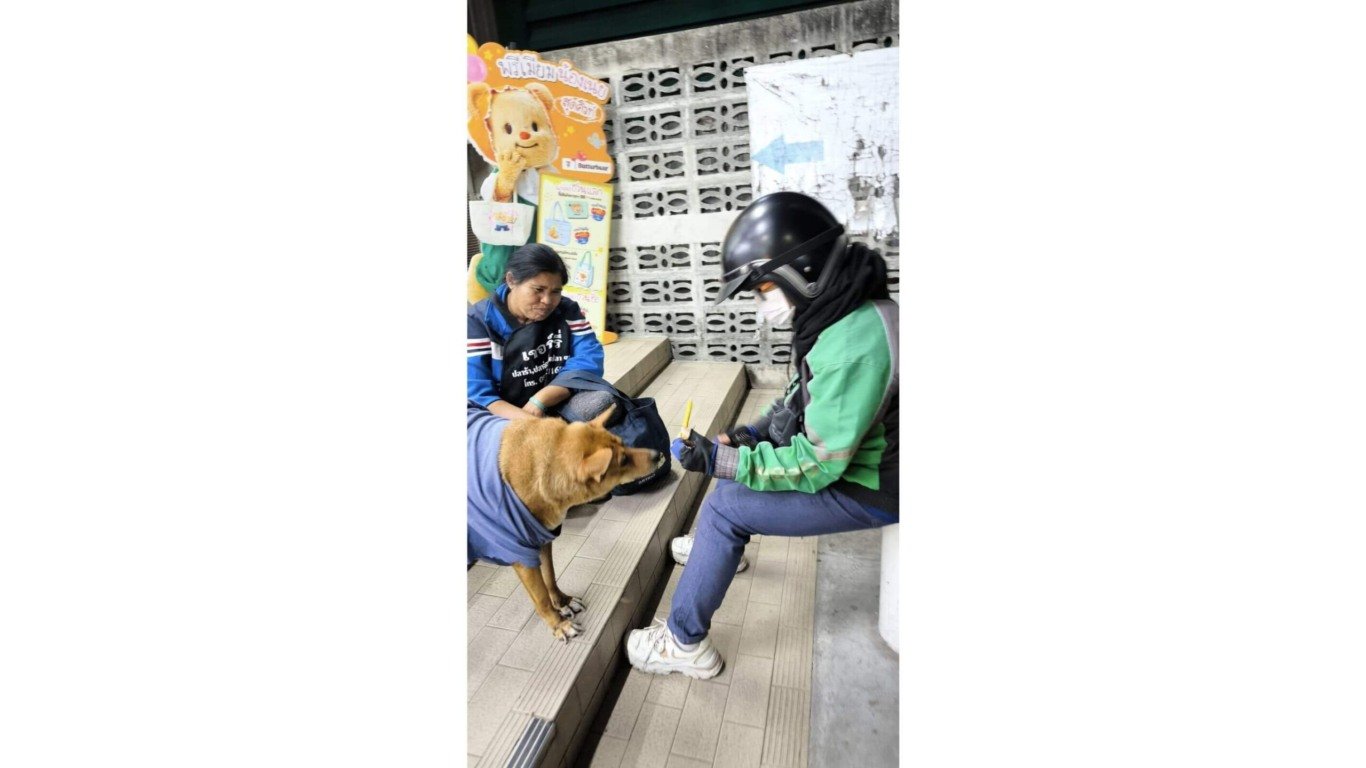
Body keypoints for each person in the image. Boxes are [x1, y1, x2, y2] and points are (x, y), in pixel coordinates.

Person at [625, 191, 899, 678]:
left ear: (802, 272)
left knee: (726, 504)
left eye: (763, 288)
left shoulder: (850, 347)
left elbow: (817, 463)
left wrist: (723, 461)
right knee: (730, 489)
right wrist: (749, 435)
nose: (761, 304)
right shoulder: (845, 315)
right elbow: (801, 399)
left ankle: (684, 643)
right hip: (868, 464)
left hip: (874, 487)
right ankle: (715, 549)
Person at [468, 243, 612, 422]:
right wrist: (536, 425)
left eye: (556, 291)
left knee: (601, 403)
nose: (547, 301)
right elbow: (478, 394)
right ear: (511, 280)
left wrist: (541, 400)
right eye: (538, 290)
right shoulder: (478, 322)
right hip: (501, 414)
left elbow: (589, 358)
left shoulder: (566, 310)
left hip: (554, 401)